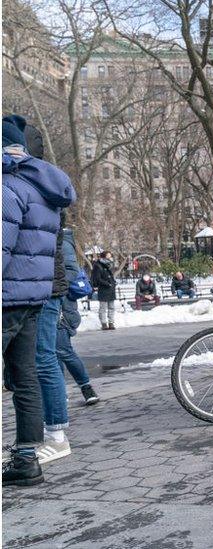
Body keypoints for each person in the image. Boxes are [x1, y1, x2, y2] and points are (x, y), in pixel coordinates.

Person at [3, 114, 76, 486]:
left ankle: (32, 454)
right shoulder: (42, 187)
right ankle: (26, 457)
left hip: (8, 296)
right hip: (34, 295)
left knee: (33, 372)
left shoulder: (8, 187)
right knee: (26, 375)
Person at [57, 226, 99, 405]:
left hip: (60, 305)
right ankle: (58, 393)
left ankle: (86, 387)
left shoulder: (63, 240)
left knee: (62, 349)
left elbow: (72, 273)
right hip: (46, 301)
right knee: (51, 354)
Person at [90, 251, 117, 330]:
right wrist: (107, 283)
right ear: (103, 257)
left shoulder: (110, 265)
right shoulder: (98, 265)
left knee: (111, 307)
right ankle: (104, 323)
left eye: (110, 256)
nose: (110, 257)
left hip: (111, 289)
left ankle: (111, 322)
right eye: (108, 256)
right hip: (104, 289)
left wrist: (113, 283)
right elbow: (97, 279)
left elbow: (111, 276)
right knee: (103, 308)